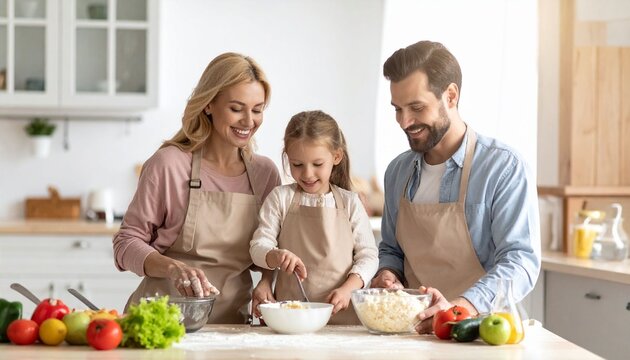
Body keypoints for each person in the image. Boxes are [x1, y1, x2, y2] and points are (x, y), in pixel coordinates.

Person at [370, 40, 541, 333]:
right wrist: (387, 273)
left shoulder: (503, 168)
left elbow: (520, 261)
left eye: (416, 107)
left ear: (450, 96)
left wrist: (462, 306)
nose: (404, 122)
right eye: (397, 109)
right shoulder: (397, 172)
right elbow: (391, 248)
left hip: (484, 333)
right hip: (415, 335)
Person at [113, 52, 281, 324]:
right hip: (161, 320)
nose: (249, 121)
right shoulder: (168, 164)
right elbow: (125, 243)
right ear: (208, 105)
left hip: (231, 327)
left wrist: (267, 281)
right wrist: (172, 268)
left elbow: (270, 246)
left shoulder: (265, 173)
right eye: (236, 109)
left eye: (257, 109)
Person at [249, 110, 378, 324]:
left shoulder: (350, 202)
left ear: (336, 156)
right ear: (287, 158)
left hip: (342, 317)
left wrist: (347, 289)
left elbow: (369, 256)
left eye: (317, 164)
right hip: (290, 319)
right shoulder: (280, 198)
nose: (307, 174)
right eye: (297, 165)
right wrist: (274, 255)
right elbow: (258, 246)